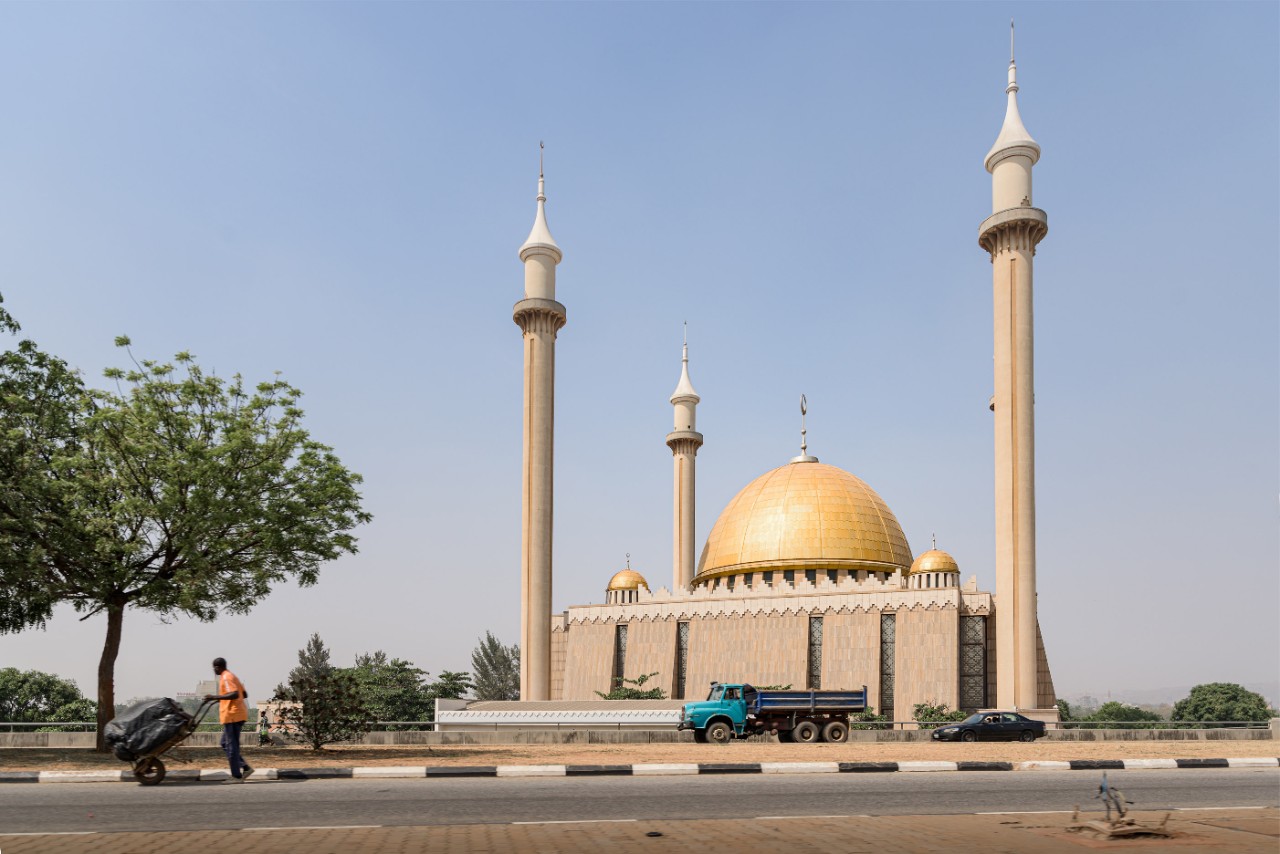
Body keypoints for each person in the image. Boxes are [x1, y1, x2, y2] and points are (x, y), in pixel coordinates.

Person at [204, 658, 254, 782]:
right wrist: (220, 698)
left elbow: (235, 694)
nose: (213, 670)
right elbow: (244, 694)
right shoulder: (232, 677)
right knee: (225, 744)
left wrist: (215, 697)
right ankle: (245, 767)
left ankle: (236, 776)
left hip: (232, 716)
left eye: (214, 667)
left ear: (218, 667)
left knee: (231, 746)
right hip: (236, 715)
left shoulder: (226, 677)